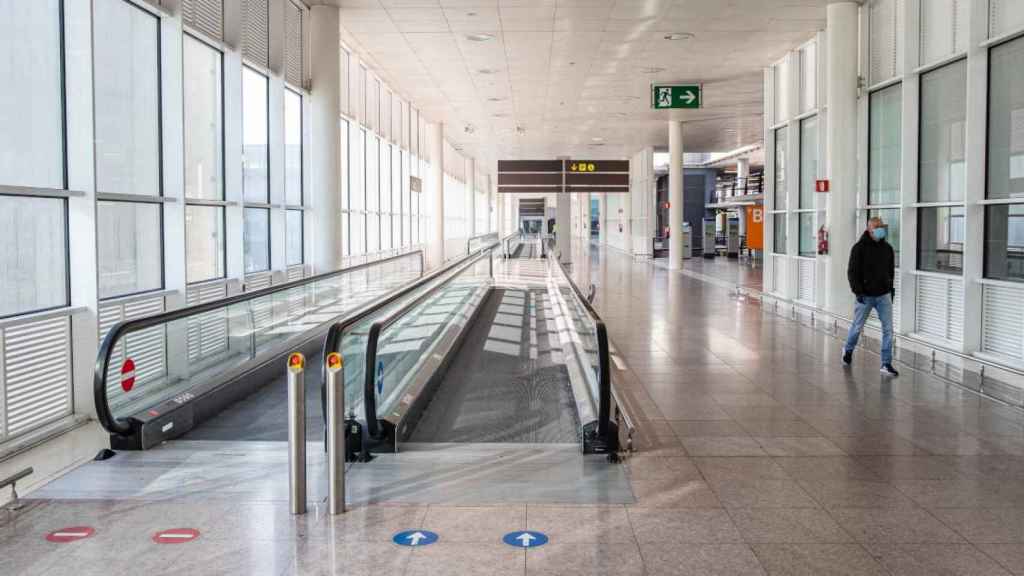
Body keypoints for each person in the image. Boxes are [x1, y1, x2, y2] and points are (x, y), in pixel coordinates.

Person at [842, 217, 899, 376]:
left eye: (881, 226)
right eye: (877, 226)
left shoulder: (887, 248)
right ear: (869, 229)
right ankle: (847, 351)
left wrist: (890, 289)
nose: (881, 229)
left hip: (883, 296)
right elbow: (852, 272)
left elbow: (890, 271)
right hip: (865, 296)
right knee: (857, 326)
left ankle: (886, 363)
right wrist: (858, 291)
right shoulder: (859, 248)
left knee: (888, 330)